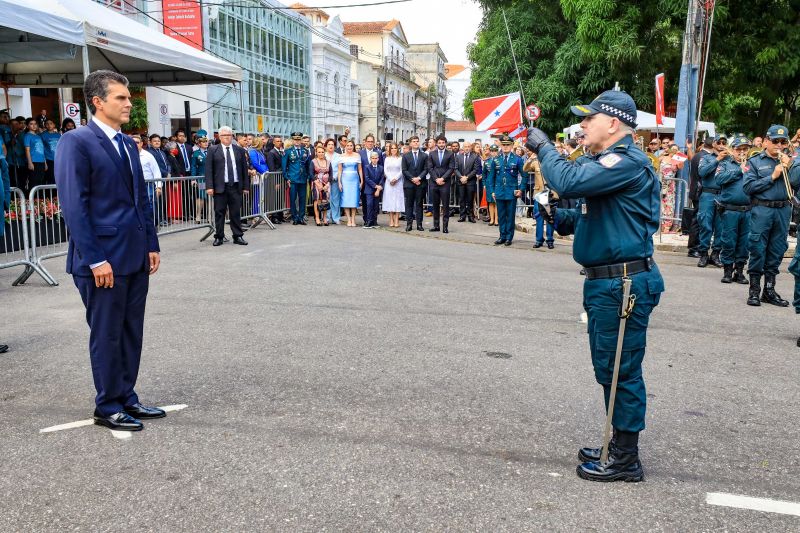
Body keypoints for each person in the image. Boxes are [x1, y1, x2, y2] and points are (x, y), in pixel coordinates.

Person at [526, 89, 664, 483]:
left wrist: (544, 149)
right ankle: (615, 444)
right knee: (609, 367)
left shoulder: (624, 160)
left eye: (589, 119)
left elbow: (568, 180)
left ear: (613, 123)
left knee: (621, 371)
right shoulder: (606, 162)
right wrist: (559, 215)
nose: (582, 125)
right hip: (609, 283)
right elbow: (589, 215)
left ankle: (625, 459)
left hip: (623, 284)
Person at [54, 70, 163, 431]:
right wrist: (95, 258)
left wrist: (151, 243)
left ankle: (127, 397)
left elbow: (140, 200)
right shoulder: (77, 142)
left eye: (129, 97)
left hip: (133, 256)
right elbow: (74, 206)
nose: (129, 103)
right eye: (121, 97)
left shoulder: (129, 144)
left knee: (132, 330)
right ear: (98, 102)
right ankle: (108, 405)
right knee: (107, 333)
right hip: (101, 260)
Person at [743, 124, 800, 307]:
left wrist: (791, 168)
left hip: (783, 210)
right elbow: (748, 188)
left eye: (783, 142)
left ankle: (769, 289)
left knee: (776, 250)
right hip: (762, 209)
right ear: (766, 141)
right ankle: (754, 290)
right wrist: (773, 176)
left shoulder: (790, 161)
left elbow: (796, 186)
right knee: (758, 249)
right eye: (775, 141)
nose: (779, 145)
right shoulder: (755, 161)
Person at [714, 135, 752, 284]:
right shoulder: (725, 163)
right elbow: (719, 180)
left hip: (748, 209)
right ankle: (728, 270)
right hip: (730, 209)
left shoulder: (752, 165)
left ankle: (740, 271)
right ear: (733, 150)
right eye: (739, 149)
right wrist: (739, 171)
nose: (742, 152)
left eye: (745, 149)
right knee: (729, 240)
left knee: (745, 242)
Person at [205, 125, 250, 246]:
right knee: (219, 212)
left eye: (229, 135)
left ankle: (238, 236)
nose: (227, 138)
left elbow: (244, 170)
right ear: (219, 137)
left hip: (235, 186)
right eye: (224, 135)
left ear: (232, 136)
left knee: (235, 212)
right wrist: (209, 186)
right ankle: (219, 236)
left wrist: (246, 187)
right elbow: (208, 170)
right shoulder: (213, 150)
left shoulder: (239, 150)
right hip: (220, 186)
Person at [487, 134, 526, 245]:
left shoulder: (517, 160)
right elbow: (491, 178)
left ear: (512, 145)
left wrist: (521, 189)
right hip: (499, 191)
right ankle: (502, 236)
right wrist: (492, 191)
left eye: (508, 145)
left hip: (511, 192)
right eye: (503, 145)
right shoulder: (496, 160)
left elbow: (525, 175)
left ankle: (509, 237)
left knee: (510, 215)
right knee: (501, 215)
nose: (505, 147)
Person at [696, 135, 727, 267]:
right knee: (705, 224)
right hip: (708, 194)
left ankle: (715, 254)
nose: (721, 144)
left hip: (723, 195)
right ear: (713, 144)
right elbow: (702, 172)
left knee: (721, 227)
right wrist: (717, 160)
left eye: (723, 142)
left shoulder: (729, 159)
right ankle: (703, 254)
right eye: (718, 142)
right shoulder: (706, 158)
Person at [426, 135, 456, 233]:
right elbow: (430, 168)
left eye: (443, 143)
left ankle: (445, 226)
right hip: (434, 183)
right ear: (436, 143)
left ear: (445, 143)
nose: (441, 144)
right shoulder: (431, 154)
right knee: (435, 205)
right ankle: (436, 226)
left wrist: (443, 178)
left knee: (445, 205)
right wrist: (436, 179)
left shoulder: (450, 154)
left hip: (445, 183)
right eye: (439, 143)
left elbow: (451, 168)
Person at [132, 134, 163, 229]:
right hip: (133, 185)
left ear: (141, 143)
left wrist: (158, 187)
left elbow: (156, 171)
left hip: (148, 185)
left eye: (137, 142)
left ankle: (153, 226)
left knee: (149, 205)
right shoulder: (128, 155)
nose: (134, 144)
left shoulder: (148, 156)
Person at [282, 132, 310, 225]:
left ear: (301, 140)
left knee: (302, 199)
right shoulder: (288, 151)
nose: (297, 141)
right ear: (292, 140)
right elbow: (284, 166)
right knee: (293, 199)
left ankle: (301, 217)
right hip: (293, 178)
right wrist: (286, 177)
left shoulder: (305, 151)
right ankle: (294, 217)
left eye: (298, 139)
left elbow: (308, 165)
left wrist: (309, 176)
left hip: (303, 178)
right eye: (295, 139)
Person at [401, 135, 428, 232]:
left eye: (417, 141)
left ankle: (419, 224)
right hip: (409, 184)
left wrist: (419, 178)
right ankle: (409, 224)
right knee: (409, 204)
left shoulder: (424, 155)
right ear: (411, 143)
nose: (416, 143)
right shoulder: (405, 156)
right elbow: (404, 170)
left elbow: (426, 169)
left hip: (421, 184)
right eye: (414, 141)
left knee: (419, 204)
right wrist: (413, 179)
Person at [359, 134, 384, 225]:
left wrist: (379, 185)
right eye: (368, 141)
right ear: (365, 142)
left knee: (375, 203)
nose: (370, 143)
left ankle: (374, 220)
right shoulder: (360, 153)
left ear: (374, 143)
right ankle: (366, 219)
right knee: (366, 202)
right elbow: (359, 167)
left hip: (377, 183)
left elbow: (381, 167)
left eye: (371, 142)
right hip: (365, 182)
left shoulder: (379, 153)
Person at [338, 140, 363, 227]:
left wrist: (361, 180)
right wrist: (339, 182)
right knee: (346, 199)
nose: (349, 147)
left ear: (353, 146)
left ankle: (353, 219)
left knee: (354, 199)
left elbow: (360, 169)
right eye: (348, 145)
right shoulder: (341, 156)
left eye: (351, 145)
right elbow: (340, 170)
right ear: (345, 147)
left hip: (354, 179)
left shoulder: (357, 155)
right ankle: (348, 219)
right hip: (345, 179)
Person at [455, 141, 480, 223]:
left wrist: (467, 177)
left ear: (470, 147)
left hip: (470, 182)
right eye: (465, 146)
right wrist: (461, 177)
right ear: (463, 147)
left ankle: (470, 216)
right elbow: (455, 169)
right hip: (460, 181)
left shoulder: (475, 157)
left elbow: (475, 169)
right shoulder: (458, 157)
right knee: (461, 199)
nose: (467, 148)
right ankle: (462, 216)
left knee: (470, 200)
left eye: (468, 146)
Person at [382, 142, 404, 227]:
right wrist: (390, 179)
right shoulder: (387, 159)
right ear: (389, 149)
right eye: (392, 148)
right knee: (390, 200)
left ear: (397, 149)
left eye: (395, 148)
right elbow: (385, 170)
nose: (393, 150)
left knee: (398, 200)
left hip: (398, 182)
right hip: (389, 181)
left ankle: (396, 220)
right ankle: (391, 219)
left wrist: (396, 178)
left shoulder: (400, 158)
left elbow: (402, 170)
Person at [23, 117, 46, 193]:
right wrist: (30, 162)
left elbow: (42, 150)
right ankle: (32, 201)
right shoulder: (27, 136)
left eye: (35, 124)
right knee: (34, 182)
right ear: (27, 126)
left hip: (41, 162)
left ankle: (39, 201)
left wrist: (45, 163)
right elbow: (27, 150)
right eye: (31, 124)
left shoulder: (38, 136)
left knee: (40, 182)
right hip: (33, 162)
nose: (34, 126)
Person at [362, 151, 384, 227]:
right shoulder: (367, 167)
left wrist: (378, 188)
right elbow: (367, 178)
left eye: (376, 158)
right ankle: (369, 221)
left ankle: (375, 221)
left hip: (377, 190)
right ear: (370, 159)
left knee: (375, 206)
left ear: (378, 159)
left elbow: (382, 178)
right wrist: (375, 186)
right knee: (369, 205)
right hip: (369, 189)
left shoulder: (381, 168)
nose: (374, 160)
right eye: (373, 158)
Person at [310, 145, 331, 226]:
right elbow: (311, 174)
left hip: (326, 184)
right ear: (316, 153)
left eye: (322, 152)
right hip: (317, 183)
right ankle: (318, 218)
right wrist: (317, 184)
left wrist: (328, 184)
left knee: (325, 201)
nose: (321, 153)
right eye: (319, 152)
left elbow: (331, 174)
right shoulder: (313, 161)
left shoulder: (328, 162)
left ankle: (325, 218)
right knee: (317, 200)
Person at [191, 136, 209, 223]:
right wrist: (193, 178)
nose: (206, 143)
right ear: (199, 144)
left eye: (206, 142)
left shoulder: (211, 152)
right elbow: (193, 166)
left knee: (211, 196)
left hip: (211, 178)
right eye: (203, 142)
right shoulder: (196, 154)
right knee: (201, 196)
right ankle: (198, 215)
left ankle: (210, 215)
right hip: (202, 178)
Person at [325, 139, 342, 224]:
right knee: (327, 199)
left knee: (335, 200)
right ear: (326, 146)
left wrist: (335, 177)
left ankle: (336, 218)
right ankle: (327, 218)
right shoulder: (323, 155)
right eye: (329, 144)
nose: (331, 146)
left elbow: (340, 169)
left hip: (335, 180)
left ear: (335, 146)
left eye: (332, 144)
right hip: (325, 181)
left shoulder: (338, 156)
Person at [41, 119, 61, 185]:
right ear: (45, 125)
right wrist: (44, 162)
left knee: (58, 177)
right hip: (49, 159)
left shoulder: (58, 135)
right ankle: (50, 194)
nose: (49, 125)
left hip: (58, 159)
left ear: (54, 125)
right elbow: (41, 149)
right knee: (50, 177)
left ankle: (57, 194)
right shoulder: (42, 135)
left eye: (51, 123)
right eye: (47, 124)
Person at [483, 145, 499, 226]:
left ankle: (496, 219)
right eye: (492, 151)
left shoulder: (500, 160)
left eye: (495, 151)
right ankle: (491, 219)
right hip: (489, 184)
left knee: (497, 202)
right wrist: (484, 184)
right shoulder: (487, 161)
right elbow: (484, 174)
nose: (493, 153)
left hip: (498, 184)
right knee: (490, 202)